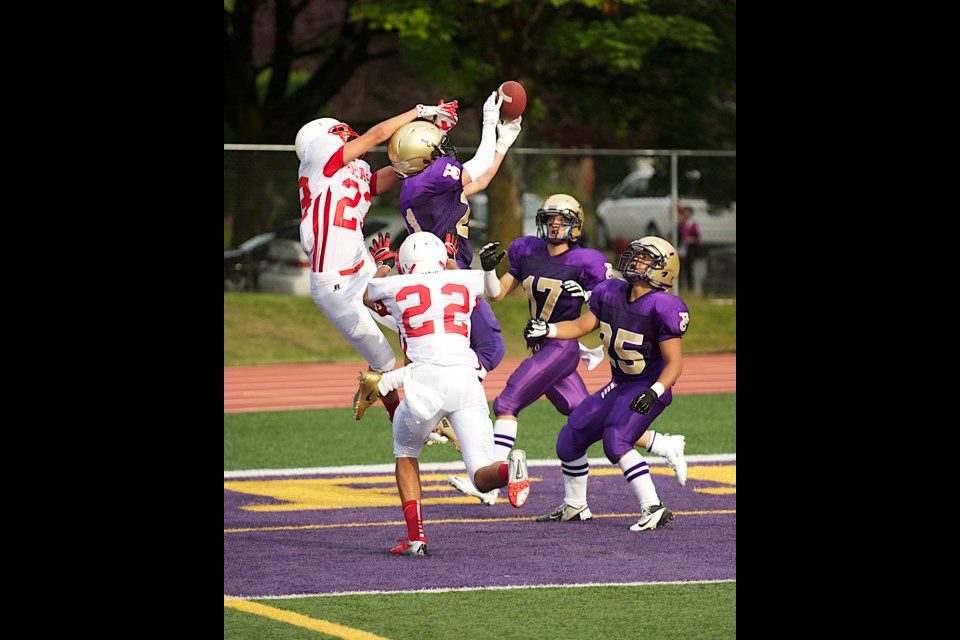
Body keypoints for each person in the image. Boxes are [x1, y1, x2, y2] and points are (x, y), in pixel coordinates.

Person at [448, 195, 688, 506]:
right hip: (545, 340)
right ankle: (663, 445)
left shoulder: (589, 262)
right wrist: (488, 272)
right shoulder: (526, 249)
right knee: (582, 422)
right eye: (549, 219)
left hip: (564, 347)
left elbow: (605, 304)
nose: (554, 226)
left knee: (507, 401)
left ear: (576, 226)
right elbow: (496, 294)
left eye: (562, 220)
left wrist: (584, 296)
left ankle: (490, 481)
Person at [364, 232, 530, 557]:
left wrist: (382, 264)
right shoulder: (464, 282)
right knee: (481, 475)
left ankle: (416, 538)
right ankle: (511, 470)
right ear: (443, 259)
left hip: (425, 381)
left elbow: (368, 295)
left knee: (406, 452)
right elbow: (493, 290)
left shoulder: (396, 287)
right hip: (467, 380)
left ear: (404, 264)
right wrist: (470, 264)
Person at [294, 101, 459, 421]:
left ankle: (422, 402)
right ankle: (402, 418)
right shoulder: (319, 155)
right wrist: (419, 112)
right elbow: (376, 134)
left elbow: (389, 176)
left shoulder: (351, 169)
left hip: (364, 269)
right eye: (339, 131)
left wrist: (425, 149)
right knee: (383, 360)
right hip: (334, 283)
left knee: (417, 326)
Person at [523, 236, 689, 531]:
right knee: (571, 437)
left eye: (644, 258)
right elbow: (581, 326)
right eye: (635, 255)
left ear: (662, 270)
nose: (635, 261)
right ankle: (575, 506)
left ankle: (653, 506)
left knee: (617, 440)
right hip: (621, 383)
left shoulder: (664, 306)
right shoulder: (610, 291)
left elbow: (674, 364)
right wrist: (547, 329)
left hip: (648, 386)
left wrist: (655, 392)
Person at [676, 204, 702, 293]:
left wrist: (690, 240)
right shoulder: (680, 224)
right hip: (680, 248)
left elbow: (696, 237)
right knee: (679, 269)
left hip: (690, 249)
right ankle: (680, 287)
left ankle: (690, 287)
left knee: (689, 268)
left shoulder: (693, 224)